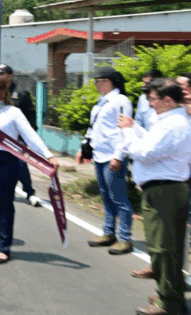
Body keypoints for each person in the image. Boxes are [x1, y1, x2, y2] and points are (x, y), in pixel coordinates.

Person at [0, 76, 58, 264]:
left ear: (3, 92)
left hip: (6, 160)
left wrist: (48, 156)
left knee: (4, 204)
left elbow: (30, 136)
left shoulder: (13, 112)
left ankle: (3, 247)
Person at [116, 82, 191, 315]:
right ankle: (170, 294)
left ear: (168, 100)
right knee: (171, 247)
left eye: (154, 99)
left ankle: (169, 303)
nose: (150, 103)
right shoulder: (172, 122)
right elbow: (152, 144)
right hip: (168, 188)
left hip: (162, 191)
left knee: (162, 249)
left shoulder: (172, 124)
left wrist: (128, 131)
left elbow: (145, 153)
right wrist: (135, 128)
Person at [75, 66, 134, 255]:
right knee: (106, 195)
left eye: (97, 80)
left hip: (112, 156)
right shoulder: (102, 101)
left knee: (119, 197)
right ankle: (109, 232)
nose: (94, 83)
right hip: (99, 154)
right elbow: (93, 127)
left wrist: (118, 156)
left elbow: (125, 130)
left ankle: (125, 238)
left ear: (108, 82)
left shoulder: (121, 101)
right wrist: (83, 147)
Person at [0, 64, 43, 207]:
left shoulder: (21, 92)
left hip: (18, 136)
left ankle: (30, 193)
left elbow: (31, 114)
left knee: (20, 162)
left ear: (10, 76)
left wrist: (30, 137)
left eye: (1, 74)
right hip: (1, 135)